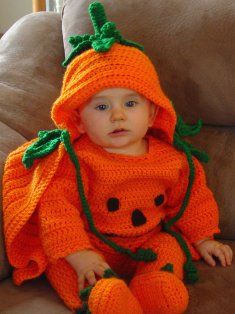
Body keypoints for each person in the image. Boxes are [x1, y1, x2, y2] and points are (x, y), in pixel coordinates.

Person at [2, 2, 233, 314]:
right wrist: (78, 253)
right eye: (101, 107)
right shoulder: (76, 161)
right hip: (90, 245)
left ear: (153, 112)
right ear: (79, 120)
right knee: (62, 266)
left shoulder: (172, 160)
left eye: (131, 103)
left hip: (145, 242)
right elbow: (56, 211)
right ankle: (100, 296)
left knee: (168, 246)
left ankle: (157, 283)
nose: (118, 115)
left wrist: (204, 238)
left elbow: (192, 200)